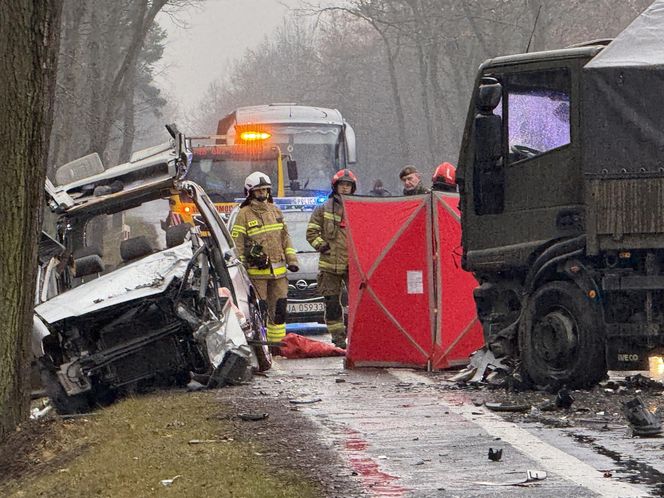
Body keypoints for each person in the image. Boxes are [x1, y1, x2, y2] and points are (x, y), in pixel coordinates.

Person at [231, 172, 299, 353]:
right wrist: (243, 269)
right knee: (259, 312)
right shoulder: (243, 215)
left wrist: (292, 260)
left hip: (279, 273)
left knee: (279, 310)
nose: (262, 193)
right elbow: (237, 243)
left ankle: (277, 347)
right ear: (250, 192)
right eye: (258, 190)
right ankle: (262, 348)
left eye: (265, 190)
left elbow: (285, 238)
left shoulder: (276, 211)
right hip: (256, 274)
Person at [306, 169, 357, 349]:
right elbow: (311, 232)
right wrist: (322, 245)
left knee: (356, 303)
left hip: (353, 265)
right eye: (342, 185)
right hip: (329, 265)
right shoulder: (323, 208)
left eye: (348, 185)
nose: (345, 188)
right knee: (332, 302)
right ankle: (338, 338)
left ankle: (356, 335)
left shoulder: (358, 208)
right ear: (335, 187)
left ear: (353, 188)